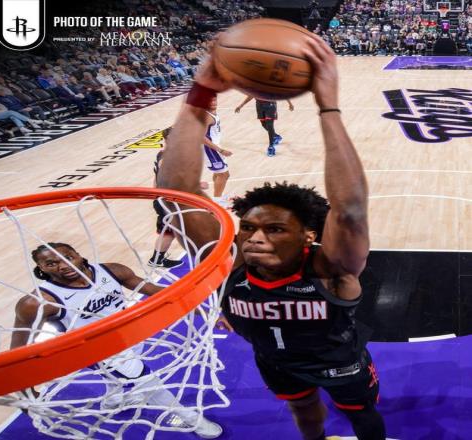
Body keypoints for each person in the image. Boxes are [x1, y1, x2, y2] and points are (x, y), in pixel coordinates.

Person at [157, 33, 386, 440]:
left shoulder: (329, 268)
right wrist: (200, 93)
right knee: (303, 411)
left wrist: (328, 107)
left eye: (275, 229)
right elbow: (176, 193)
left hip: (338, 361)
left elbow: (349, 209)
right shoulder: (233, 263)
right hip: (274, 361)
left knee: (363, 415)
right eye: (248, 227)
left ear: (308, 235)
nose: (254, 238)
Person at [11, 242, 222, 439]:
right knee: (146, 381)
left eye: (68, 257)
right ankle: (192, 420)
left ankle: (112, 400)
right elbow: (19, 349)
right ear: (41, 268)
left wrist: (200, 308)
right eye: (51, 263)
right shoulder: (38, 302)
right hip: (96, 348)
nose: (64, 265)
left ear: (78, 255)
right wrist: (24, 389)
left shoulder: (111, 271)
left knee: (123, 376)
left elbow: (155, 292)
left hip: (130, 333)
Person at [149, 129, 185, 269]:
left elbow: (156, 177)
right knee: (169, 233)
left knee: (170, 231)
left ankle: (157, 259)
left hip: (163, 198)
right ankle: (156, 260)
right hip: (167, 200)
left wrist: (155, 193)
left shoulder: (162, 153)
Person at [204, 96, 232, 207]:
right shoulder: (206, 116)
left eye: (214, 99)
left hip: (213, 147)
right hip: (209, 149)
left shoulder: (212, 113)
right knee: (223, 175)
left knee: (221, 173)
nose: (213, 102)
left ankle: (218, 196)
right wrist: (220, 150)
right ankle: (217, 202)